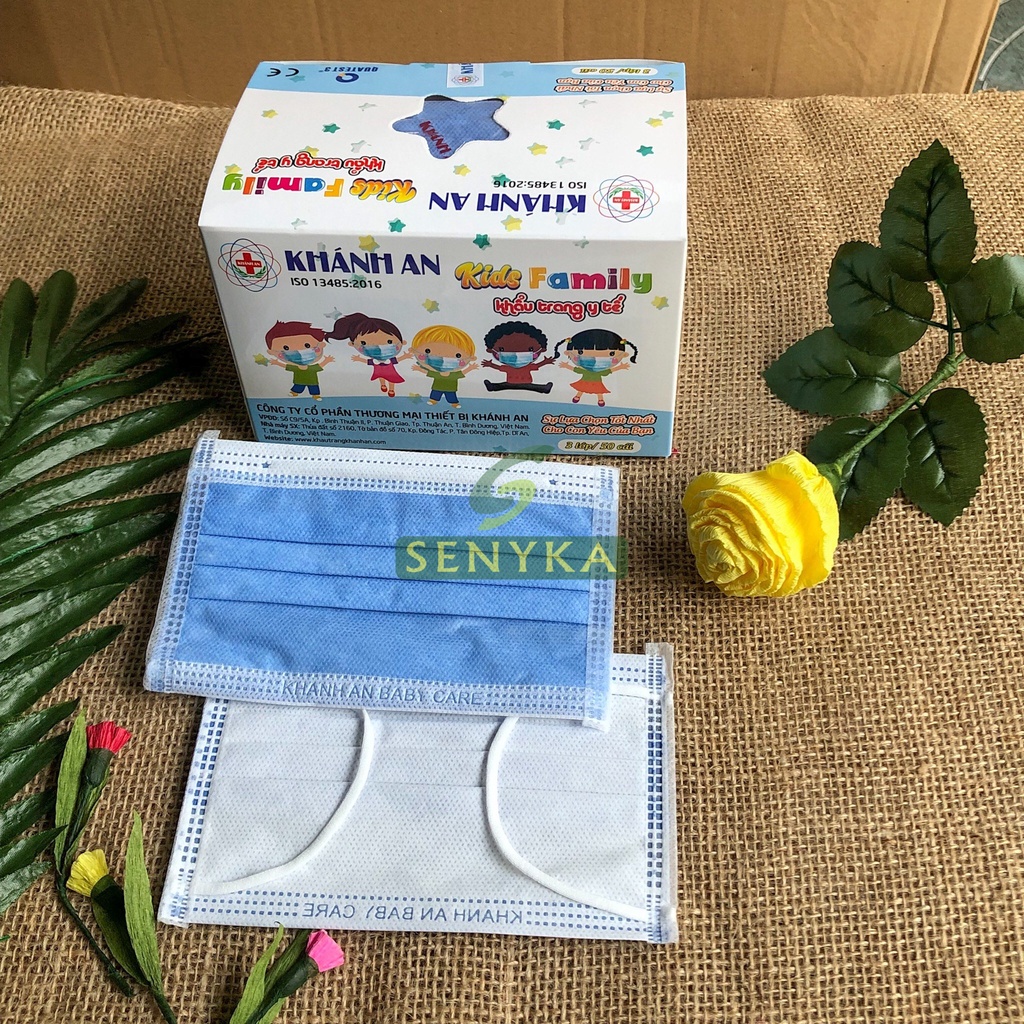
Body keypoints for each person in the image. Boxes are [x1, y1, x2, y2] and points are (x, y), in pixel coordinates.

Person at [326, 312, 410, 398]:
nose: (379, 347)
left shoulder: (388, 360)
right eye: (363, 343)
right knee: (381, 377)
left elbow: (397, 360)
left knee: (391, 379)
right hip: (379, 371)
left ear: (402, 342)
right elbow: (367, 361)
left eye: (389, 341)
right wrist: (358, 359)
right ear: (352, 344)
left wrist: (406, 356)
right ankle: (383, 385)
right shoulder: (375, 360)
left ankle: (391, 389)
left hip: (390, 372)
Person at [554, 328, 637, 407]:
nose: (595, 358)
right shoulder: (585, 369)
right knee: (581, 389)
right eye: (580, 352)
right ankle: (578, 397)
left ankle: (600, 400)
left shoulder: (600, 370)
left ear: (624, 355)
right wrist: (566, 366)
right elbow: (575, 369)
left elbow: (610, 370)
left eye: (611, 354)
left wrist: (621, 367)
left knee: (598, 391)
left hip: (597, 383)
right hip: (584, 382)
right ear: (568, 353)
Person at [256, 321, 334, 399]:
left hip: (312, 382)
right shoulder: (295, 368)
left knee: (314, 388)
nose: (299, 352)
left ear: (321, 345)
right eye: (286, 348)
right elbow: (285, 366)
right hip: (299, 381)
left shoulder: (311, 368)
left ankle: (316, 395)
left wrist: (327, 360)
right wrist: (277, 363)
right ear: (271, 352)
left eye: (307, 345)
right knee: (298, 387)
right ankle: (294, 393)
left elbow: (320, 365)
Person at [409, 324, 479, 408]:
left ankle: (454, 403)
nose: (442, 357)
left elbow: (463, 373)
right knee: (435, 394)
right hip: (437, 387)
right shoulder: (436, 372)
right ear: (413, 350)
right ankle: (433, 400)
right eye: (428, 351)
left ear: (471, 358)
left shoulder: (453, 374)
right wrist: (419, 368)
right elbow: (427, 372)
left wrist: (470, 368)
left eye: (458, 355)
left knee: (451, 395)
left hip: (451, 388)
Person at [480, 321, 556, 393]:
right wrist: (490, 365)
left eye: (530, 349)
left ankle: (544, 389)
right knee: (503, 385)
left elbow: (537, 365)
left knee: (532, 387)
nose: (516, 354)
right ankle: (492, 387)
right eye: (502, 349)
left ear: (542, 349)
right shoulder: (509, 367)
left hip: (526, 383)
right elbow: (499, 367)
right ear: (490, 350)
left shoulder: (527, 366)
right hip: (510, 383)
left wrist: (545, 362)